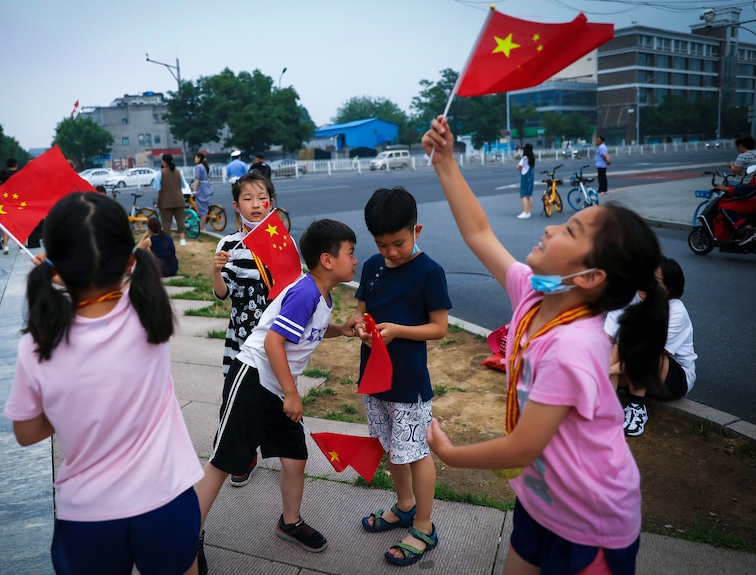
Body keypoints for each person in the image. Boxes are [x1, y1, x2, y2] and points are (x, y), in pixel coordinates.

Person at [422, 116, 668, 575]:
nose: (552, 229)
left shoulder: (573, 347)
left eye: (570, 231)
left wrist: (451, 454)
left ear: (589, 279)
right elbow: (479, 233)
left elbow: (521, 448)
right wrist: (446, 162)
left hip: (590, 522)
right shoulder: (535, 293)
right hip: (541, 499)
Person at [4, 192, 203, 575]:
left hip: (87, 517)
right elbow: (137, 269)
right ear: (129, 262)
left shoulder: (36, 343)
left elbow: (26, 432)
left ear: (56, 270)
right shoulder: (150, 310)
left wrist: (68, 408)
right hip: (167, 500)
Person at [195, 219, 360, 575]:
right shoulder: (306, 291)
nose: (355, 260)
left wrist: (339, 330)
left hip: (276, 385)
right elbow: (273, 342)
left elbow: (304, 330)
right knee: (223, 464)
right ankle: (186, 537)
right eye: (351, 253)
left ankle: (290, 522)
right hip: (254, 379)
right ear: (327, 260)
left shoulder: (321, 294)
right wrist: (291, 393)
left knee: (294, 458)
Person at [354, 187, 451, 567]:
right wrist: (364, 330)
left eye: (399, 242)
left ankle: (424, 526)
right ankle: (406, 506)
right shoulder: (372, 267)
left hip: (409, 385)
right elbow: (363, 313)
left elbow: (439, 327)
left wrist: (397, 330)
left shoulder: (430, 272)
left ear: (417, 230)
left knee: (415, 452)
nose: (391, 252)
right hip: (374, 380)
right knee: (394, 450)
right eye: (382, 245)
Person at [211, 171, 291, 487]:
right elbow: (221, 293)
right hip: (240, 340)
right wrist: (216, 270)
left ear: (271, 202)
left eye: (262, 198)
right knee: (235, 400)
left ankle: (282, 452)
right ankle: (242, 456)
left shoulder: (282, 242)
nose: (255, 204)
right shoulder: (228, 244)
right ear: (236, 205)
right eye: (247, 199)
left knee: (271, 397)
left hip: (274, 338)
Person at [605, 258, 697, 437]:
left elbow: (649, 352)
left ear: (670, 288)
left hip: (671, 377)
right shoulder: (629, 299)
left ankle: (636, 407)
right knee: (613, 349)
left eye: (657, 281)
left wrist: (606, 370)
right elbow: (604, 338)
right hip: (630, 366)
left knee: (643, 351)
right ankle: (605, 408)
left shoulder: (676, 311)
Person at [152, 153, 188, 247]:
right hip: (179, 199)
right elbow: (183, 184)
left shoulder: (161, 172)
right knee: (180, 220)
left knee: (166, 222)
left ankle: (168, 241)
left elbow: (156, 186)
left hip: (165, 201)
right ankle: (182, 239)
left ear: (164, 162)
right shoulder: (177, 171)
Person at [192, 152, 213, 232]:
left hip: (201, 188)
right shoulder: (205, 166)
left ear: (199, 158)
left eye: (195, 157)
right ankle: (203, 226)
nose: (195, 159)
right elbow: (209, 178)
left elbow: (197, 179)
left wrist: (194, 189)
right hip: (206, 187)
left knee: (202, 209)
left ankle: (203, 227)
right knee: (204, 207)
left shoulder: (198, 167)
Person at [516, 143, 536, 219]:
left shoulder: (524, 158)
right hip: (531, 177)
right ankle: (528, 212)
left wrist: (518, 168)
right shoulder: (532, 157)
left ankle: (525, 212)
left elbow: (519, 167)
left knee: (523, 195)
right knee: (529, 195)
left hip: (525, 177)